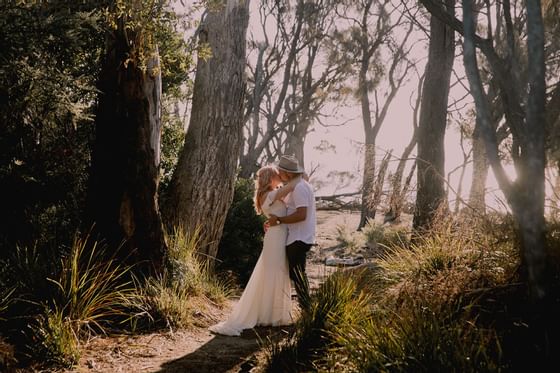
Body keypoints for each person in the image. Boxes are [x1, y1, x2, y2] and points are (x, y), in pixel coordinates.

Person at [209, 165, 298, 336]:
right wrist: (296, 174)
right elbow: (292, 186)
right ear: (270, 178)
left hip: (277, 235)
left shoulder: (269, 194)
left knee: (276, 272)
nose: (280, 176)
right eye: (276, 175)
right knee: (275, 271)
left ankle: (272, 313)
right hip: (276, 238)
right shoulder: (270, 195)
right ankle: (272, 314)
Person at [268, 155, 316, 311]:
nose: (279, 174)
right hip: (298, 237)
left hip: (298, 238)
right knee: (297, 275)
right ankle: (306, 309)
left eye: (280, 171)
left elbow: (302, 215)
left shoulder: (300, 188)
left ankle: (307, 310)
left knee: (298, 276)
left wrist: (279, 220)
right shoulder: (300, 185)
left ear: (287, 173)